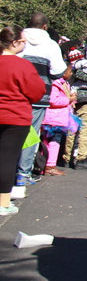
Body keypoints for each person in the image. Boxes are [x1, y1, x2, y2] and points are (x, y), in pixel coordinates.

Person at [0, 26, 46, 215]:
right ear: (14, 43)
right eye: (23, 41)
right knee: (8, 160)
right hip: (15, 117)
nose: (25, 43)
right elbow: (36, 92)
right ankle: (3, 202)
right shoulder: (23, 66)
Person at [18, 13, 68, 184]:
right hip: (39, 96)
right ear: (45, 26)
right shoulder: (51, 45)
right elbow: (58, 71)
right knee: (31, 134)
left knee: (10, 131)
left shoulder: (19, 40)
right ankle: (23, 173)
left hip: (15, 94)